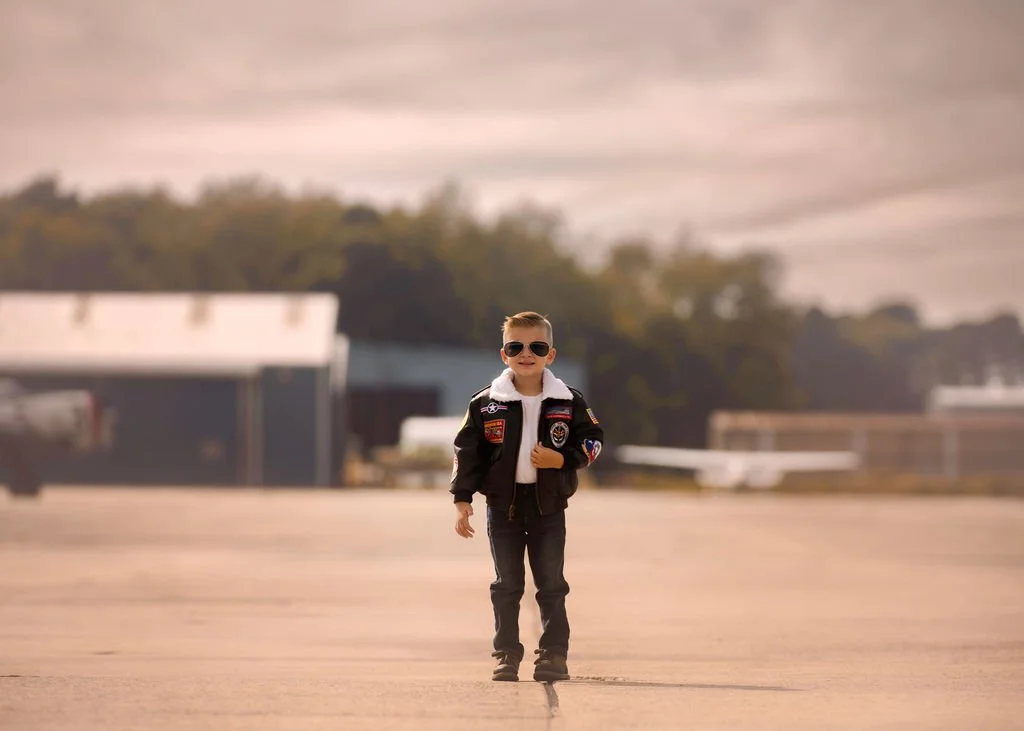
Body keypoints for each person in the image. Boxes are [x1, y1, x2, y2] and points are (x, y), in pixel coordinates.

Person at [450, 311, 604, 682]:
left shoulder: (568, 401)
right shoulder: (486, 403)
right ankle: (506, 653)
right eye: (515, 346)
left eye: (537, 346)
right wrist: (462, 499)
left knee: (551, 583)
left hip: (548, 507)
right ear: (504, 354)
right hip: (502, 507)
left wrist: (562, 459)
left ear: (550, 354)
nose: (526, 354)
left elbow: (594, 441)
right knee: (507, 585)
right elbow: (466, 451)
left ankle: (553, 654)